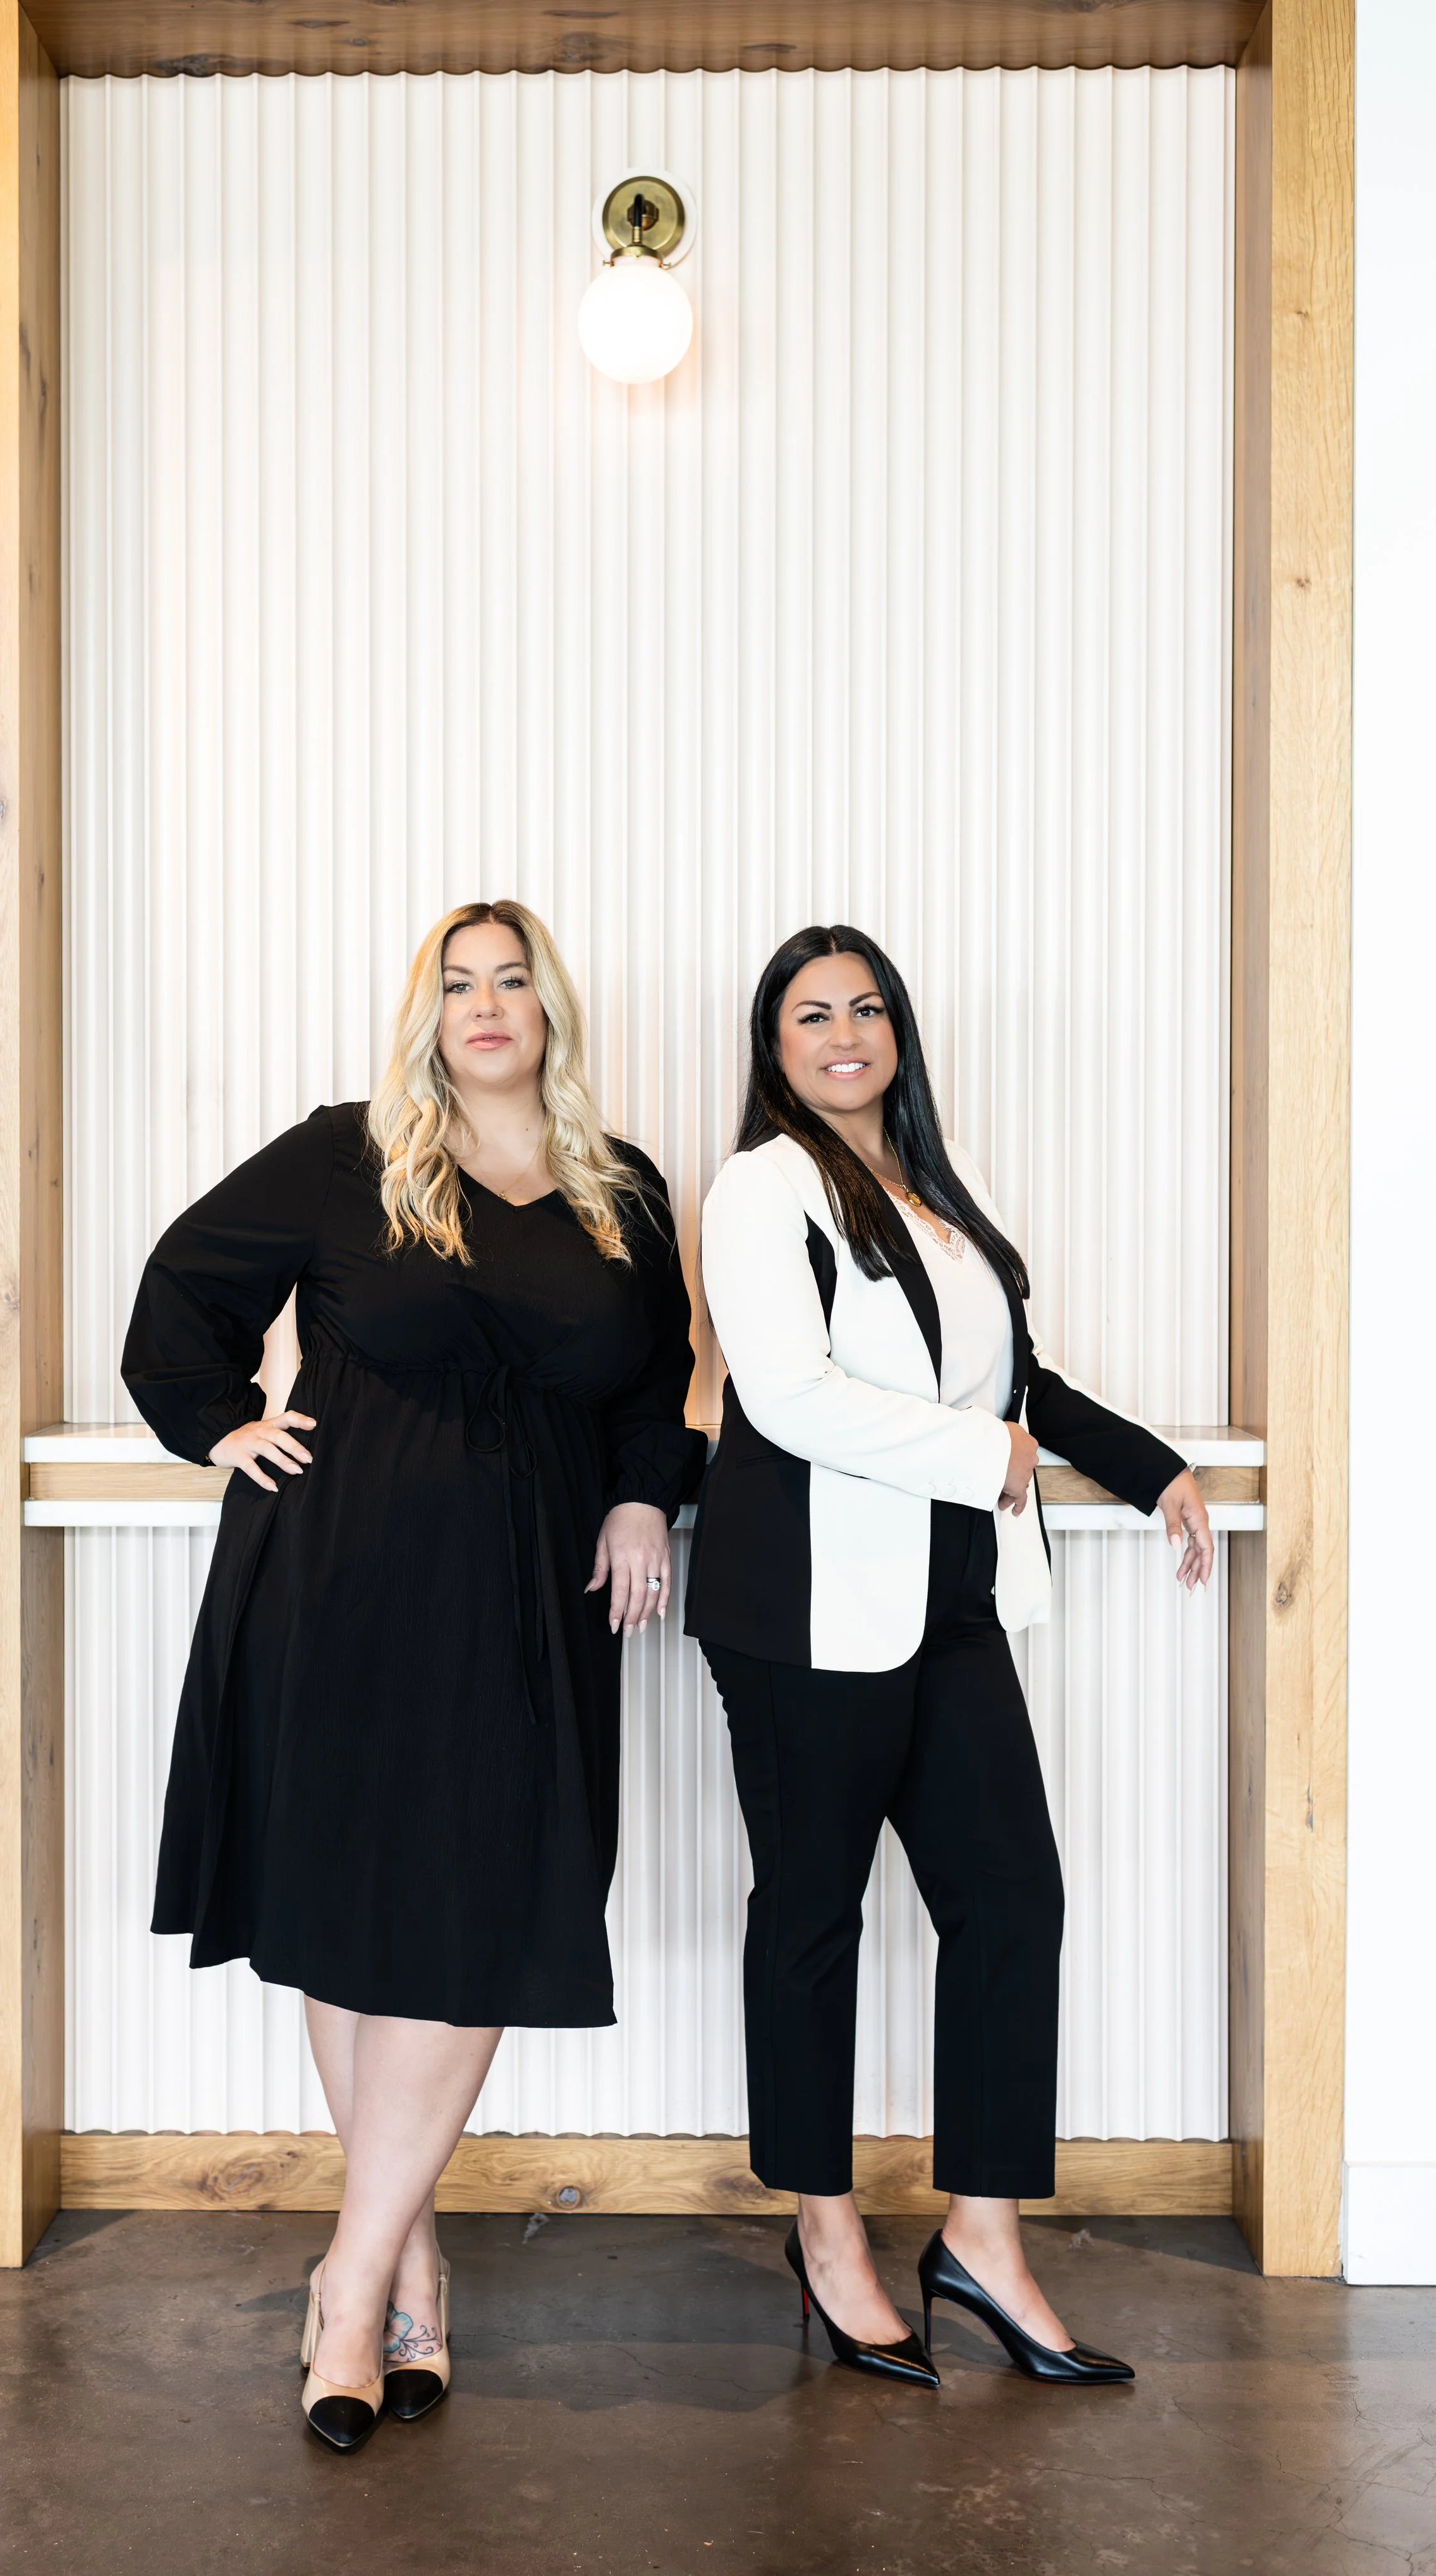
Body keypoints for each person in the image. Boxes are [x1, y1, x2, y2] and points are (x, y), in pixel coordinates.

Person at [123, 898, 704, 2452]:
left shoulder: (621, 1190)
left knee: (472, 1907)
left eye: (512, 978)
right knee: (355, 1906)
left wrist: (646, 1487)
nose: (486, 1003)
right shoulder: (349, 1152)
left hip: (530, 1600)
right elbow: (182, 1288)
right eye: (457, 983)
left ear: (550, 1008)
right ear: (425, 1013)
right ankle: (405, 2269)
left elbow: (659, 1379)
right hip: (339, 1577)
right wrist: (216, 1423)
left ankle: (350, 2274)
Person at [685, 923, 1212, 2390]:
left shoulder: (933, 1199)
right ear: (773, 1045)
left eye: (865, 1007)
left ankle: (980, 2236)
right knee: (811, 1916)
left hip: (946, 1600)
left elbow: (1010, 1381)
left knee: (1009, 1897)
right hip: (800, 1611)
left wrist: (1146, 1463)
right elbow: (786, 1395)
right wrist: (984, 1453)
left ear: (897, 1033)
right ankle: (824, 2225)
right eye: (810, 1013)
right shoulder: (759, 1187)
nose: (842, 1031)